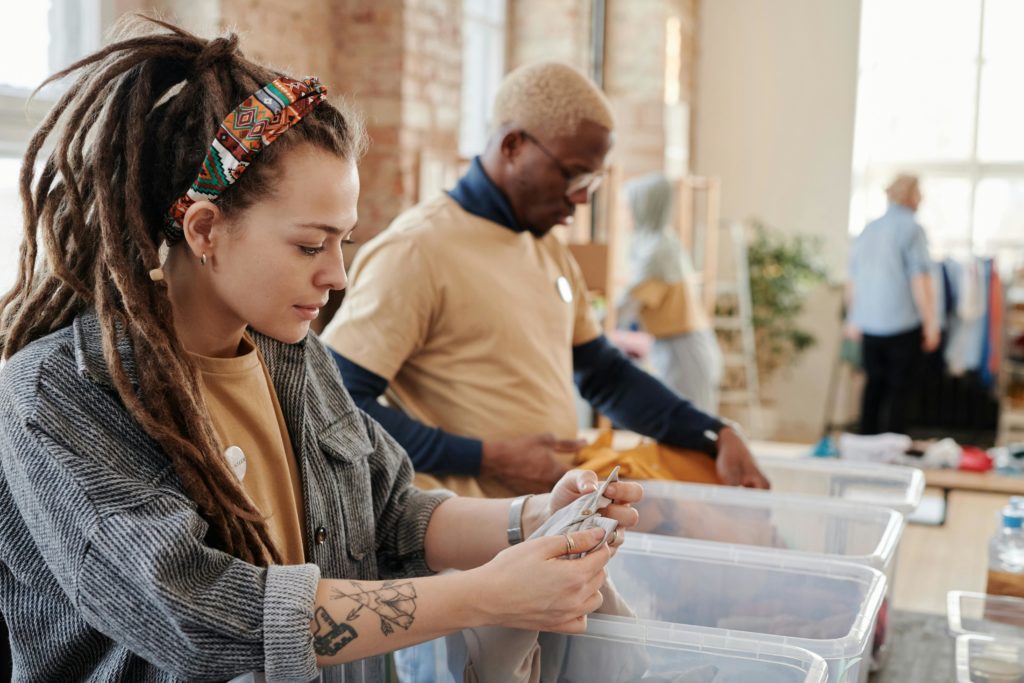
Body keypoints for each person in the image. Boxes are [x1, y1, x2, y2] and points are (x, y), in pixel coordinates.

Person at [0, 19, 643, 682]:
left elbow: (390, 512)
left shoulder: (288, 351)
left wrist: (535, 515)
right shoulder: (59, 395)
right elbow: (198, 616)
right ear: (205, 229)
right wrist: (484, 594)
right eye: (311, 244)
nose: (335, 275)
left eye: (344, 242)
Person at [323, 62, 768, 498]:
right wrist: (485, 457)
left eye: (591, 180)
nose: (580, 197)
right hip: (463, 539)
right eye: (573, 172)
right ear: (514, 145)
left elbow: (604, 375)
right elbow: (339, 402)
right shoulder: (417, 251)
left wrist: (714, 432)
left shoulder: (545, 246)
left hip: (544, 521)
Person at [621, 172, 723, 414]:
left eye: (627, 207)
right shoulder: (657, 244)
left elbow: (626, 306)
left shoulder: (658, 251)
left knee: (688, 429)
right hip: (673, 346)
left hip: (684, 349)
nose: (624, 215)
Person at [847, 174, 939, 435]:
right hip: (902, 324)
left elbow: (854, 280)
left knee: (873, 387)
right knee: (900, 391)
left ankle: (866, 445)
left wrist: (853, 318)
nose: (922, 198)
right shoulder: (912, 228)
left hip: (869, 324)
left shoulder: (869, 229)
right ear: (910, 195)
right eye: (920, 193)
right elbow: (919, 279)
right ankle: (893, 450)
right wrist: (931, 323)